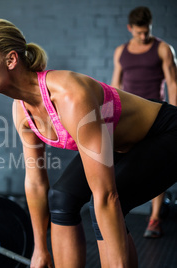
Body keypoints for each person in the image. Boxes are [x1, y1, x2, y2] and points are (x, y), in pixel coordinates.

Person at [0, 18, 177, 268]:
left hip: (165, 133)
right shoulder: (21, 111)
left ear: (10, 60)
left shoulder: (69, 95)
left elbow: (106, 195)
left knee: (104, 210)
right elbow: (35, 182)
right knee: (61, 197)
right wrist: (40, 250)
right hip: (120, 144)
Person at [111, 6, 177, 239]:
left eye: (146, 31)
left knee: (156, 166)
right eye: (138, 32)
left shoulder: (162, 49)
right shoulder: (121, 51)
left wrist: (174, 115)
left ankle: (155, 218)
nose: (143, 36)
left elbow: (172, 83)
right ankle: (118, 217)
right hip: (128, 116)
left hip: (155, 115)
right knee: (123, 165)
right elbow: (115, 84)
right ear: (130, 28)